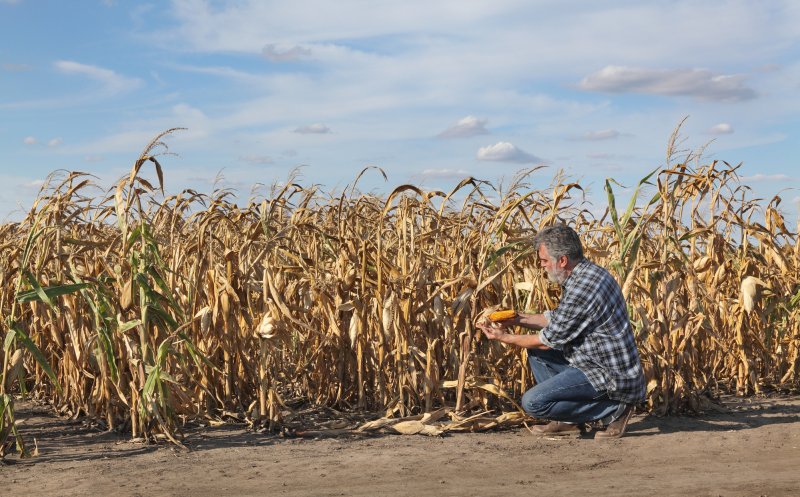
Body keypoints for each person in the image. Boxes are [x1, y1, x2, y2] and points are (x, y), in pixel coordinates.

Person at [478, 224, 645, 439]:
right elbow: (556, 320)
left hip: (608, 373)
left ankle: (614, 410)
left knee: (533, 403)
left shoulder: (583, 288)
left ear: (563, 260)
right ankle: (567, 420)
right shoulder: (584, 274)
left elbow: (546, 341)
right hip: (590, 359)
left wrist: (505, 337)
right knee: (538, 355)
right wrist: (517, 318)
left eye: (545, 261)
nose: (542, 266)